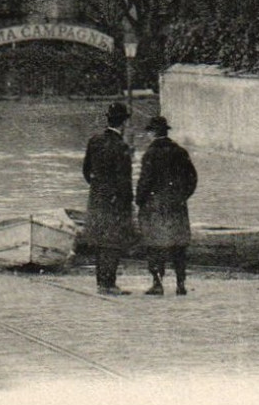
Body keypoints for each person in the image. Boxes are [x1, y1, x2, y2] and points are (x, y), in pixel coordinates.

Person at [135, 115, 198, 296]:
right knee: (178, 244)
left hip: (155, 207)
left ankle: (157, 283)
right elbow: (192, 178)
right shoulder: (180, 151)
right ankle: (180, 284)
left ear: (153, 133)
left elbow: (145, 181)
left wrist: (139, 200)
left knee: (155, 245)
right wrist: (182, 196)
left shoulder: (151, 154)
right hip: (177, 205)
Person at [83, 102, 135, 295]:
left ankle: (101, 282)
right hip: (115, 202)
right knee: (113, 243)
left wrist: (98, 189)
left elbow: (86, 171)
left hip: (97, 199)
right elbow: (125, 180)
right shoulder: (121, 147)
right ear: (123, 124)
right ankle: (109, 284)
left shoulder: (94, 141)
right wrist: (128, 203)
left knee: (99, 240)